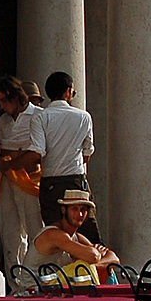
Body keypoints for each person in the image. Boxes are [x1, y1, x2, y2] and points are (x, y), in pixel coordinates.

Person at [38, 71, 103, 245]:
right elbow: (87, 153)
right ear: (68, 92)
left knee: (54, 230)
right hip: (75, 179)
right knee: (88, 231)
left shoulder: (41, 117)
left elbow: (39, 152)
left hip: (50, 181)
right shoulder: (83, 117)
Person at [0, 76, 44, 272]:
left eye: (5, 101)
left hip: (30, 180)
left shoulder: (38, 116)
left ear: (16, 97)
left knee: (35, 230)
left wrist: (13, 162)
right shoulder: (3, 121)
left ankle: (35, 277)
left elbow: (37, 152)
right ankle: (16, 282)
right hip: (9, 180)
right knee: (10, 233)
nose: (2, 106)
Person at [32, 190, 122, 283]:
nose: (79, 214)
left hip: (58, 288)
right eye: (74, 209)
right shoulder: (54, 234)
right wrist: (90, 261)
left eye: (83, 210)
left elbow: (114, 258)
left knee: (103, 270)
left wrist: (94, 265)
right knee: (83, 268)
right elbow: (93, 256)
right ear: (64, 210)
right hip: (35, 288)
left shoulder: (77, 237)